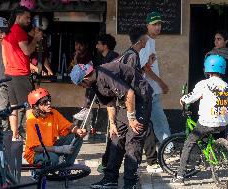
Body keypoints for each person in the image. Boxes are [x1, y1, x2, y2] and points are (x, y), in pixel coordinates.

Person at [70, 60, 153, 188]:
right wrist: (113, 123)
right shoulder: (94, 84)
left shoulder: (105, 75)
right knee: (116, 137)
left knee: (133, 141)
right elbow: (109, 103)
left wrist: (131, 118)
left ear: (85, 78)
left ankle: (130, 183)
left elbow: (130, 93)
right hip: (126, 102)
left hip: (141, 98)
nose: (81, 87)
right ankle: (110, 178)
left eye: (80, 84)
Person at [97, 27, 157, 175]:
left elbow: (133, 75)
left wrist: (147, 65)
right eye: (145, 40)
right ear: (140, 41)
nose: (146, 42)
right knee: (132, 136)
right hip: (130, 103)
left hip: (127, 102)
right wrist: (131, 112)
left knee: (120, 136)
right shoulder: (132, 56)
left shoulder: (130, 54)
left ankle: (109, 168)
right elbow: (129, 82)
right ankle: (119, 168)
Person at [172, 55, 228, 185]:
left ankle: (180, 176)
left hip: (206, 123)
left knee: (189, 142)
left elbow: (190, 98)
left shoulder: (203, 84)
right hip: (223, 124)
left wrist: (183, 99)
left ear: (207, 69)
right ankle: (213, 148)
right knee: (211, 130)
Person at [2, 6, 43, 141]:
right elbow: (27, 51)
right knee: (29, 106)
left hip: (9, 73)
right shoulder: (18, 30)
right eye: (27, 17)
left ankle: (15, 135)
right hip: (20, 74)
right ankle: (33, 137)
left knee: (13, 106)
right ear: (18, 17)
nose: (29, 20)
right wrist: (36, 39)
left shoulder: (8, 31)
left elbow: (5, 54)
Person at [139, 11, 171, 173]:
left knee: (154, 124)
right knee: (159, 122)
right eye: (154, 24)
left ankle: (164, 152)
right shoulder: (146, 41)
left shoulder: (151, 42)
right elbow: (145, 67)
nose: (158, 27)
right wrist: (161, 83)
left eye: (159, 24)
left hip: (151, 91)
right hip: (148, 91)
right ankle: (168, 151)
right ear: (147, 26)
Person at [24, 88, 87, 166]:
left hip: (51, 147)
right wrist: (60, 149)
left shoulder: (53, 113)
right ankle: (38, 172)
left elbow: (68, 126)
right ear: (36, 106)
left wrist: (78, 131)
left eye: (49, 100)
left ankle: (66, 167)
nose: (49, 103)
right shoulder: (31, 121)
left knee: (77, 137)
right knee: (53, 158)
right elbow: (36, 148)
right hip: (36, 154)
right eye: (44, 102)